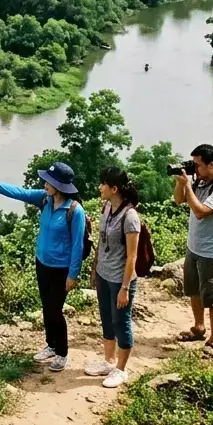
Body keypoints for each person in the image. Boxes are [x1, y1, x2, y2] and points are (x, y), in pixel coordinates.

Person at [0, 162, 85, 372]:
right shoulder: (45, 199)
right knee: (46, 307)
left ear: (59, 185)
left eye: (49, 182)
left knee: (55, 311)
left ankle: (62, 352)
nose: (45, 184)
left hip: (61, 269)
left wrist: (73, 274)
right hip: (42, 264)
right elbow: (18, 192)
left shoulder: (74, 211)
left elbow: (78, 245)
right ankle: (50, 345)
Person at [173, 144, 213, 357]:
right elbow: (179, 200)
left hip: (212, 252)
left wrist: (188, 186)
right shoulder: (199, 182)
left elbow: (200, 212)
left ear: (212, 164)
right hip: (193, 248)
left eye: (197, 165)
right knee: (194, 291)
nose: (194, 169)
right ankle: (199, 327)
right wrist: (182, 183)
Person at [86, 166, 142, 389]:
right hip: (103, 273)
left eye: (103, 184)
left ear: (114, 188)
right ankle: (108, 361)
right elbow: (101, 241)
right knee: (107, 319)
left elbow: (132, 257)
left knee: (121, 322)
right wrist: (94, 267)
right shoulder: (107, 206)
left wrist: (125, 288)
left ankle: (121, 369)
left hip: (120, 278)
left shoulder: (130, 217)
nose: (100, 187)